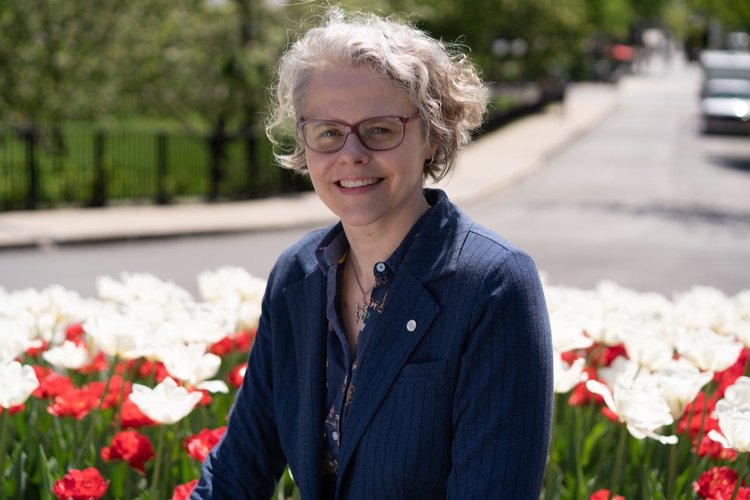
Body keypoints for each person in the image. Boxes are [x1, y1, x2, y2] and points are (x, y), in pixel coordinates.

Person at [192, 8, 552, 500]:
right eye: (328, 132)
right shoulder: (297, 276)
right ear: (304, 140)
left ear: (431, 134)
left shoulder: (491, 284)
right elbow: (237, 472)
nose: (351, 153)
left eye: (380, 130)